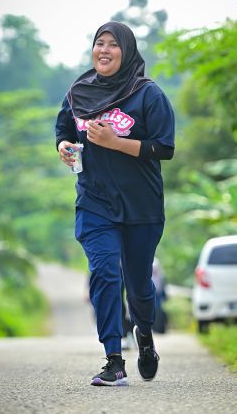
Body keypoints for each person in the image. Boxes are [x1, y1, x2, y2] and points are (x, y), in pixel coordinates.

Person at [55, 21, 175, 386]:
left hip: (141, 206)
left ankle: (145, 335)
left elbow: (164, 148)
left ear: (127, 51)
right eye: (99, 43)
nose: (104, 50)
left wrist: (114, 142)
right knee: (105, 273)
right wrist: (63, 146)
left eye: (113, 44)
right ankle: (113, 359)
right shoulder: (78, 92)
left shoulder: (147, 94)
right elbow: (64, 130)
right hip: (95, 201)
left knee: (139, 286)